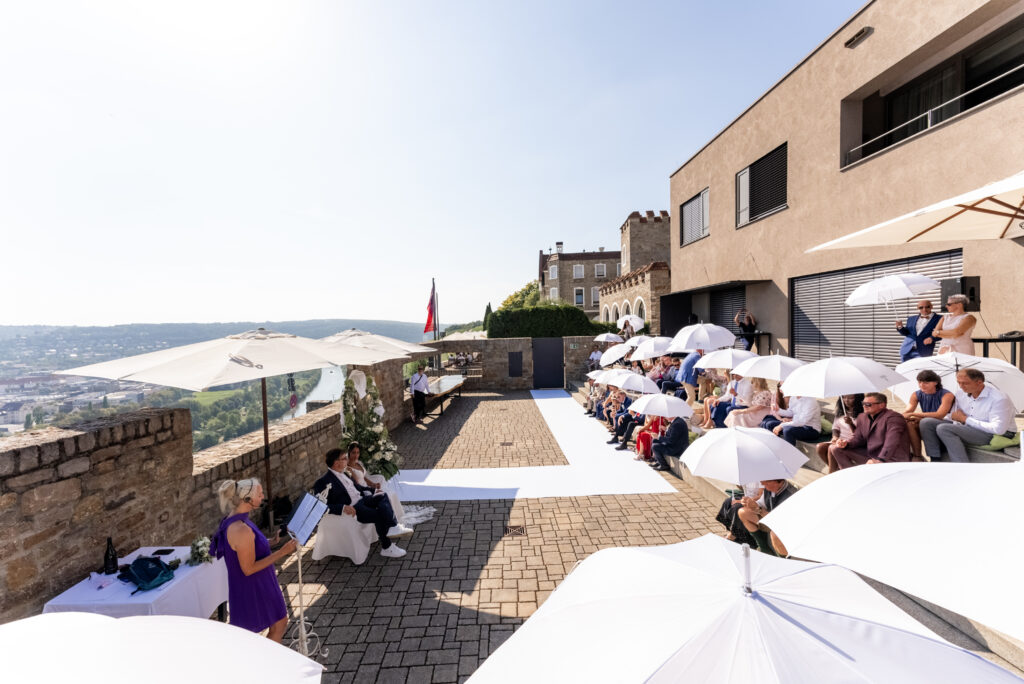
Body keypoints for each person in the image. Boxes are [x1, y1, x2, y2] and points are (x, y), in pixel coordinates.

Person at [210, 478, 294, 642]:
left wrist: (273, 542)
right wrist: (283, 552)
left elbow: (249, 547)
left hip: (261, 579)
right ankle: (266, 662)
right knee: (276, 625)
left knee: (278, 623)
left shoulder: (237, 518)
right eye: (260, 493)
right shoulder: (240, 529)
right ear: (247, 499)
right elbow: (248, 568)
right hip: (254, 584)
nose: (263, 497)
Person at [313, 448, 410, 558]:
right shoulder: (323, 482)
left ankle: (393, 526)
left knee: (382, 495)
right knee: (379, 515)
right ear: (336, 462)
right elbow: (320, 506)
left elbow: (358, 487)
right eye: (344, 458)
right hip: (354, 507)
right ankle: (387, 547)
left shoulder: (345, 473)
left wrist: (373, 490)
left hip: (362, 499)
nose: (347, 459)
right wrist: (343, 507)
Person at [919, 368, 1016, 462]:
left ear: (979, 382)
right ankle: (935, 459)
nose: (961, 386)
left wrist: (965, 419)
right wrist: (950, 416)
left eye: (965, 383)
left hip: (995, 435)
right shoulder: (961, 393)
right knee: (926, 422)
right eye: (959, 382)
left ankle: (962, 466)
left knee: (944, 428)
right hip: (969, 428)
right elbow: (954, 416)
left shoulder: (999, 398)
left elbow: (998, 429)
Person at [828, 393, 911, 471]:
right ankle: (852, 477)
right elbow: (857, 438)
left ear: (881, 405)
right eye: (863, 403)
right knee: (835, 448)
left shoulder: (894, 418)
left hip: (891, 458)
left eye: (868, 404)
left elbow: (891, 442)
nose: (864, 406)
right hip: (871, 455)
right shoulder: (862, 417)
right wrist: (846, 443)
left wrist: (881, 459)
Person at [716, 479, 796, 556]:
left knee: (774, 534)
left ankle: (781, 559)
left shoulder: (790, 495)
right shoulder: (770, 488)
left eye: (766, 484)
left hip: (785, 526)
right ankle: (764, 547)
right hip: (770, 520)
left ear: (778, 482)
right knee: (743, 512)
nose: (765, 487)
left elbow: (778, 521)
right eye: (763, 484)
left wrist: (759, 509)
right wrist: (750, 503)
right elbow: (761, 503)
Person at [344, 441, 407, 524]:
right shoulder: (348, 469)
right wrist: (371, 488)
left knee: (385, 486)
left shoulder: (358, 463)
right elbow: (357, 485)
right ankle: (389, 519)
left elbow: (364, 477)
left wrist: (373, 484)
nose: (356, 455)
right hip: (363, 490)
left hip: (367, 485)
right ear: (349, 453)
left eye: (358, 452)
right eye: (353, 453)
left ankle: (394, 516)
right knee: (386, 495)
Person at [902, 370, 954, 460]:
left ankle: (934, 458)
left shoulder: (947, 394)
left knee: (924, 421)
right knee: (909, 423)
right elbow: (907, 411)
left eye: (926, 383)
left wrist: (914, 414)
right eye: (919, 382)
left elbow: (940, 415)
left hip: (945, 422)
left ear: (935, 383)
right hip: (926, 422)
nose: (921, 385)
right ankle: (917, 456)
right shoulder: (916, 394)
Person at [816, 394, 864, 471]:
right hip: (840, 439)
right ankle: (836, 470)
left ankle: (832, 472)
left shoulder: (863, 414)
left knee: (832, 448)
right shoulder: (841, 411)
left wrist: (851, 424)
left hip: (852, 442)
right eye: (844, 397)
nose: (846, 400)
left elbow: (859, 435)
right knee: (820, 447)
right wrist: (835, 437)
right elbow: (835, 427)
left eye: (850, 398)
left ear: (858, 399)